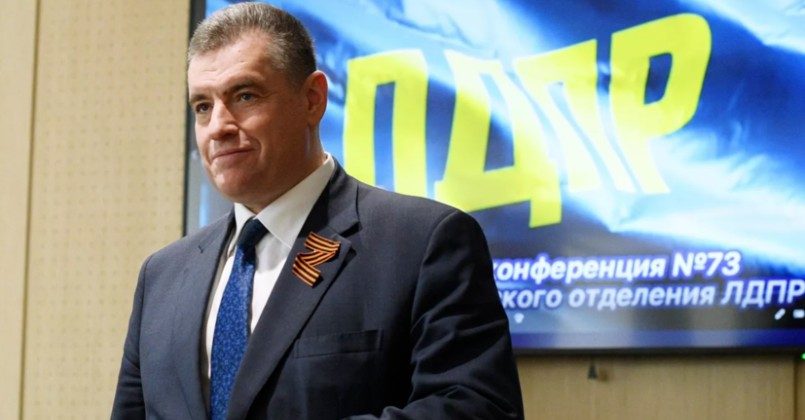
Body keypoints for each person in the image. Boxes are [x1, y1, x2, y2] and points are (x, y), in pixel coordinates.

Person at [112, 2, 523, 419]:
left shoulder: (424, 243)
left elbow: (477, 409)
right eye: (203, 106)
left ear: (312, 100)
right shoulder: (161, 277)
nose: (218, 126)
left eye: (245, 96)